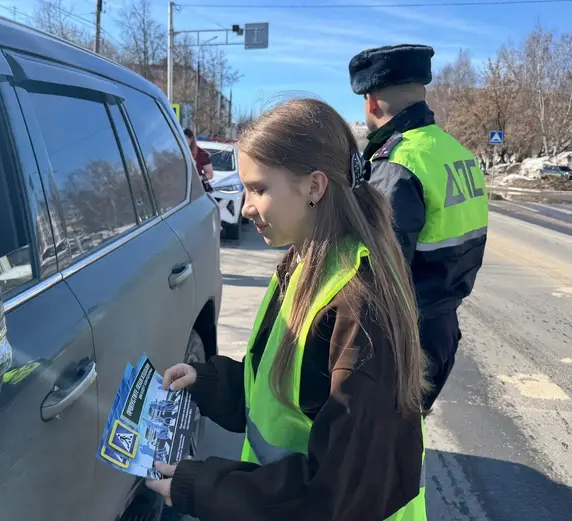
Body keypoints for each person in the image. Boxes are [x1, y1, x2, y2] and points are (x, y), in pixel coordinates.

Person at [146, 98, 428, 521]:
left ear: (314, 187)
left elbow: (336, 493)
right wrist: (210, 383)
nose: (245, 207)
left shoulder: (359, 307)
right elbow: (289, 395)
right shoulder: (305, 262)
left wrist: (203, 488)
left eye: (259, 189)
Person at [349, 44, 488, 409]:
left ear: (371, 102)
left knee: (384, 434)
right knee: (411, 428)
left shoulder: (399, 162)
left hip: (402, 336)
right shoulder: (456, 153)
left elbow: (378, 272)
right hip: (443, 327)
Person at [183, 128, 214, 192]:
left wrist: (199, 178)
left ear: (191, 139)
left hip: (194, 189)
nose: (182, 142)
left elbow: (210, 174)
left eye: (184, 139)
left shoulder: (201, 154)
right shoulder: (175, 151)